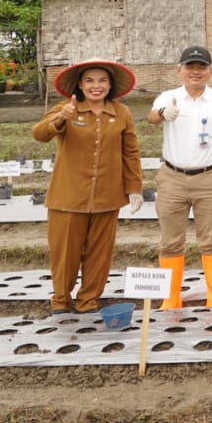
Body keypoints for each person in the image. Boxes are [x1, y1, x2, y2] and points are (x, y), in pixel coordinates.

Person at [32, 58, 143, 315]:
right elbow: (39, 134)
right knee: (65, 253)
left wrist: (134, 187)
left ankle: (88, 301)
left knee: (99, 254)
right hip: (67, 197)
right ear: (80, 86)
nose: (96, 86)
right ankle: (61, 300)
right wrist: (61, 118)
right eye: (90, 80)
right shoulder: (66, 108)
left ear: (110, 85)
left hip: (108, 197)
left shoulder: (121, 113)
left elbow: (131, 153)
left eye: (102, 80)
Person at [146, 45, 212, 308]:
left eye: (201, 67)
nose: (195, 71)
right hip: (172, 178)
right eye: (190, 66)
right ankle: (171, 297)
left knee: (211, 238)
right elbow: (151, 118)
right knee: (170, 241)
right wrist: (161, 113)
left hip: (209, 178)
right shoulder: (168, 97)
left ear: (210, 71)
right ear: (179, 70)